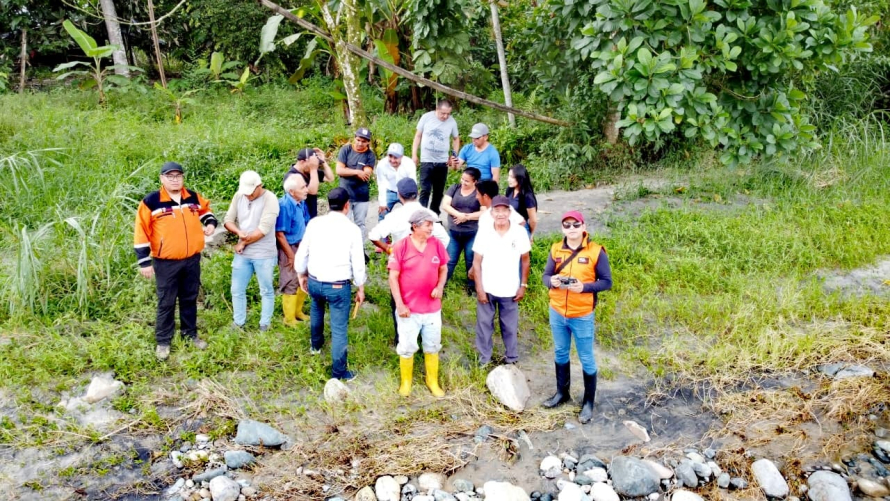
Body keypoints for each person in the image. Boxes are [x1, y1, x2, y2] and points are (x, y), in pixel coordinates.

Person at [134, 162, 218, 360]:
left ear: (183, 178)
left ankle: (190, 335)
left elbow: (206, 210)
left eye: (178, 176)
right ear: (162, 179)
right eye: (169, 176)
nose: (174, 179)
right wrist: (144, 262)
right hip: (166, 263)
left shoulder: (192, 197)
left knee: (190, 298)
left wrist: (211, 223)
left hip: (191, 259)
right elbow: (141, 231)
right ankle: (163, 341)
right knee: (166, 302)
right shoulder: (151, 201)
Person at [541, 211, 612, 424]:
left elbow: (607, 282)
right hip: (557, 311)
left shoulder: (596, 251)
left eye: (575, 224)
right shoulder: (556, 249)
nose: (571, 229)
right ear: (562, 228)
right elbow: (545, 275)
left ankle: (588, 403)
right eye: (567, 225)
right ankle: (562, 394)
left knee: (586, 357)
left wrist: (584, 287)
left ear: (583, 226)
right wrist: (550, 281)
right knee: (561, 352)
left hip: (581, 314)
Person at [295, 188, 366, 381]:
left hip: (315, 281)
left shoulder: (314, 223)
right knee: (339, 328)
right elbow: (358, 262)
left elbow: (303, 252)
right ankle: (339, 372)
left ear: (328, 204)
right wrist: (360, 286)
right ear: (347, 205)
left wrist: (301, 274)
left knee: (316, 309)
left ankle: (315, 346)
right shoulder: (353, 229)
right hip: (338, 285)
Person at [369, 178, 450, 344]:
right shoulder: (429, 215)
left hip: (402, 263)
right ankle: (424, 335)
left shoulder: (395, 216)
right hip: (426, 265)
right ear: (418, 193)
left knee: (399, 297)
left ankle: (402, 338)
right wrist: (430, 253)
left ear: (399, 195)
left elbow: (373, 236)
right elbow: (445, 239)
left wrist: (389, 249)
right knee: (426, 299)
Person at [389, 210, 449, 397]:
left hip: (432, 309)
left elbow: (444, 268)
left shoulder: (436, 244)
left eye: (432, 224)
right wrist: (399, 304)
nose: (431, 228)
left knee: (432, 344)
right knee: (407, 346)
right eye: (427, 225)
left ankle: (432, 380)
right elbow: (393, 277)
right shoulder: (401, 247)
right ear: (415, 226)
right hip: (409, 309)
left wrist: (440, 286)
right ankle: (406, 382)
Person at [471, 196, 531, 366]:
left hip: (510, 288)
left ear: (510, 212)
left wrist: (523, 285)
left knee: (510, 326)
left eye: (504, 210)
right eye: (497, 210)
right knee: (484, 326)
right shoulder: (484, 232)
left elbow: (525, 260)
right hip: (487, 288)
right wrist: (480, 288)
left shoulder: (519, 233)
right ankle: (484, 360)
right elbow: (477, 262)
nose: (500, 214)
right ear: (491, 213)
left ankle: (511, 358)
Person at [223, 170, 280, 331]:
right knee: (237, 289)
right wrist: (238, 232)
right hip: (243, 255)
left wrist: (242, 243)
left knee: (266, 289)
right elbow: (228, 220)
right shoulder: (239, 196)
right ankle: (239, 321)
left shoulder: (270, 199)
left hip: (264, 253)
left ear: (259, 186)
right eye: (245, 193)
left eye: (251, 192)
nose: (248, 196)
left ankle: (265, 323)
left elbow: (263, 229)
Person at [412, 99, 460, 214]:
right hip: (426, 160)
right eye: (443, 113)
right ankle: (422, 214)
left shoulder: (452, 122)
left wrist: (453, 155)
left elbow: (456, 138)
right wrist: (414, 154)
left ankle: (434, 214)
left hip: (442, 162)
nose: (445, 116)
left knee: (438, 191)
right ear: (437, 109)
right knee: (425, 190)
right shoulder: (426, 117)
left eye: (448, 114)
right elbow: (418, 136)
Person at [275, 174, 311, 326]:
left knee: (303, 277)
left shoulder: (301, 202)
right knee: (290, 279)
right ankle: (289, 319)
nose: (306, 190)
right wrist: (290, 255)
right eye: (302, 187)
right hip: (289, 247)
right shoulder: (284, 205)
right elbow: (280, 234)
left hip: (302, 245)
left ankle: (298, 312)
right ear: (291, 191)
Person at [440, 167, 482, 290]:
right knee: (450, 260)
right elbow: (445, 205)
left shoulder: (479, 192)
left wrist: (467, 217)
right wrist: (459, 215)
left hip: (472, 232)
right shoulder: (454, 188)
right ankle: (442, 285)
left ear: (475, 182)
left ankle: (472, 286)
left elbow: (484, 211)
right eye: (462, 179)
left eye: (467, 181)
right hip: (454, 232)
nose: (463, 182)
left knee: (471, 260)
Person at [336, 127, 377, 239]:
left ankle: (361, 249)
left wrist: (348, 171)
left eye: (364, 141)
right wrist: (357, 171)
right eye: (358, 140)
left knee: (360, 224)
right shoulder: (346, 150)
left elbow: (366, 175)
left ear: (368, 142)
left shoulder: (370, 155)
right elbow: (339, 170)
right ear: (354, 138)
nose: (360, 143)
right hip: (345, 195)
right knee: (345, 224)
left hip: (361, 196)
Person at [284, 147, 334, 219]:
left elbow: (330, 178)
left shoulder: (309, 171)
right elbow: (312, 191)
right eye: (311, 165)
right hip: (299, 217)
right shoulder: (292, 176)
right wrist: (313, 168)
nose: (314, 167)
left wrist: (323, 162)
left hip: (312, 214)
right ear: (302, 161)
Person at [376, 143, 417, 221]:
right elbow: (381, 184)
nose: (392, 160)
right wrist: (382, 203)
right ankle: (382, 232)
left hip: (405, 192)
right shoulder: (381, 165)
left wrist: (412, 199)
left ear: (402, 156)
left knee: (413, 215)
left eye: (396, 157)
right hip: (389, 190)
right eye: (390, 156)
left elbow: (412, 183)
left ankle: (411, 231)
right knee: (383, 214)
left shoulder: (409, 164)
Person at [504, 164, 538, 239]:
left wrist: (531, 235)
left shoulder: (527, 196)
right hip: (509, 226)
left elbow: (533, 220)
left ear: (520, 178)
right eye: (508, 176)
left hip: (521, 228)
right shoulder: (509, 190)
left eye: (512, 177)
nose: (508, 179)